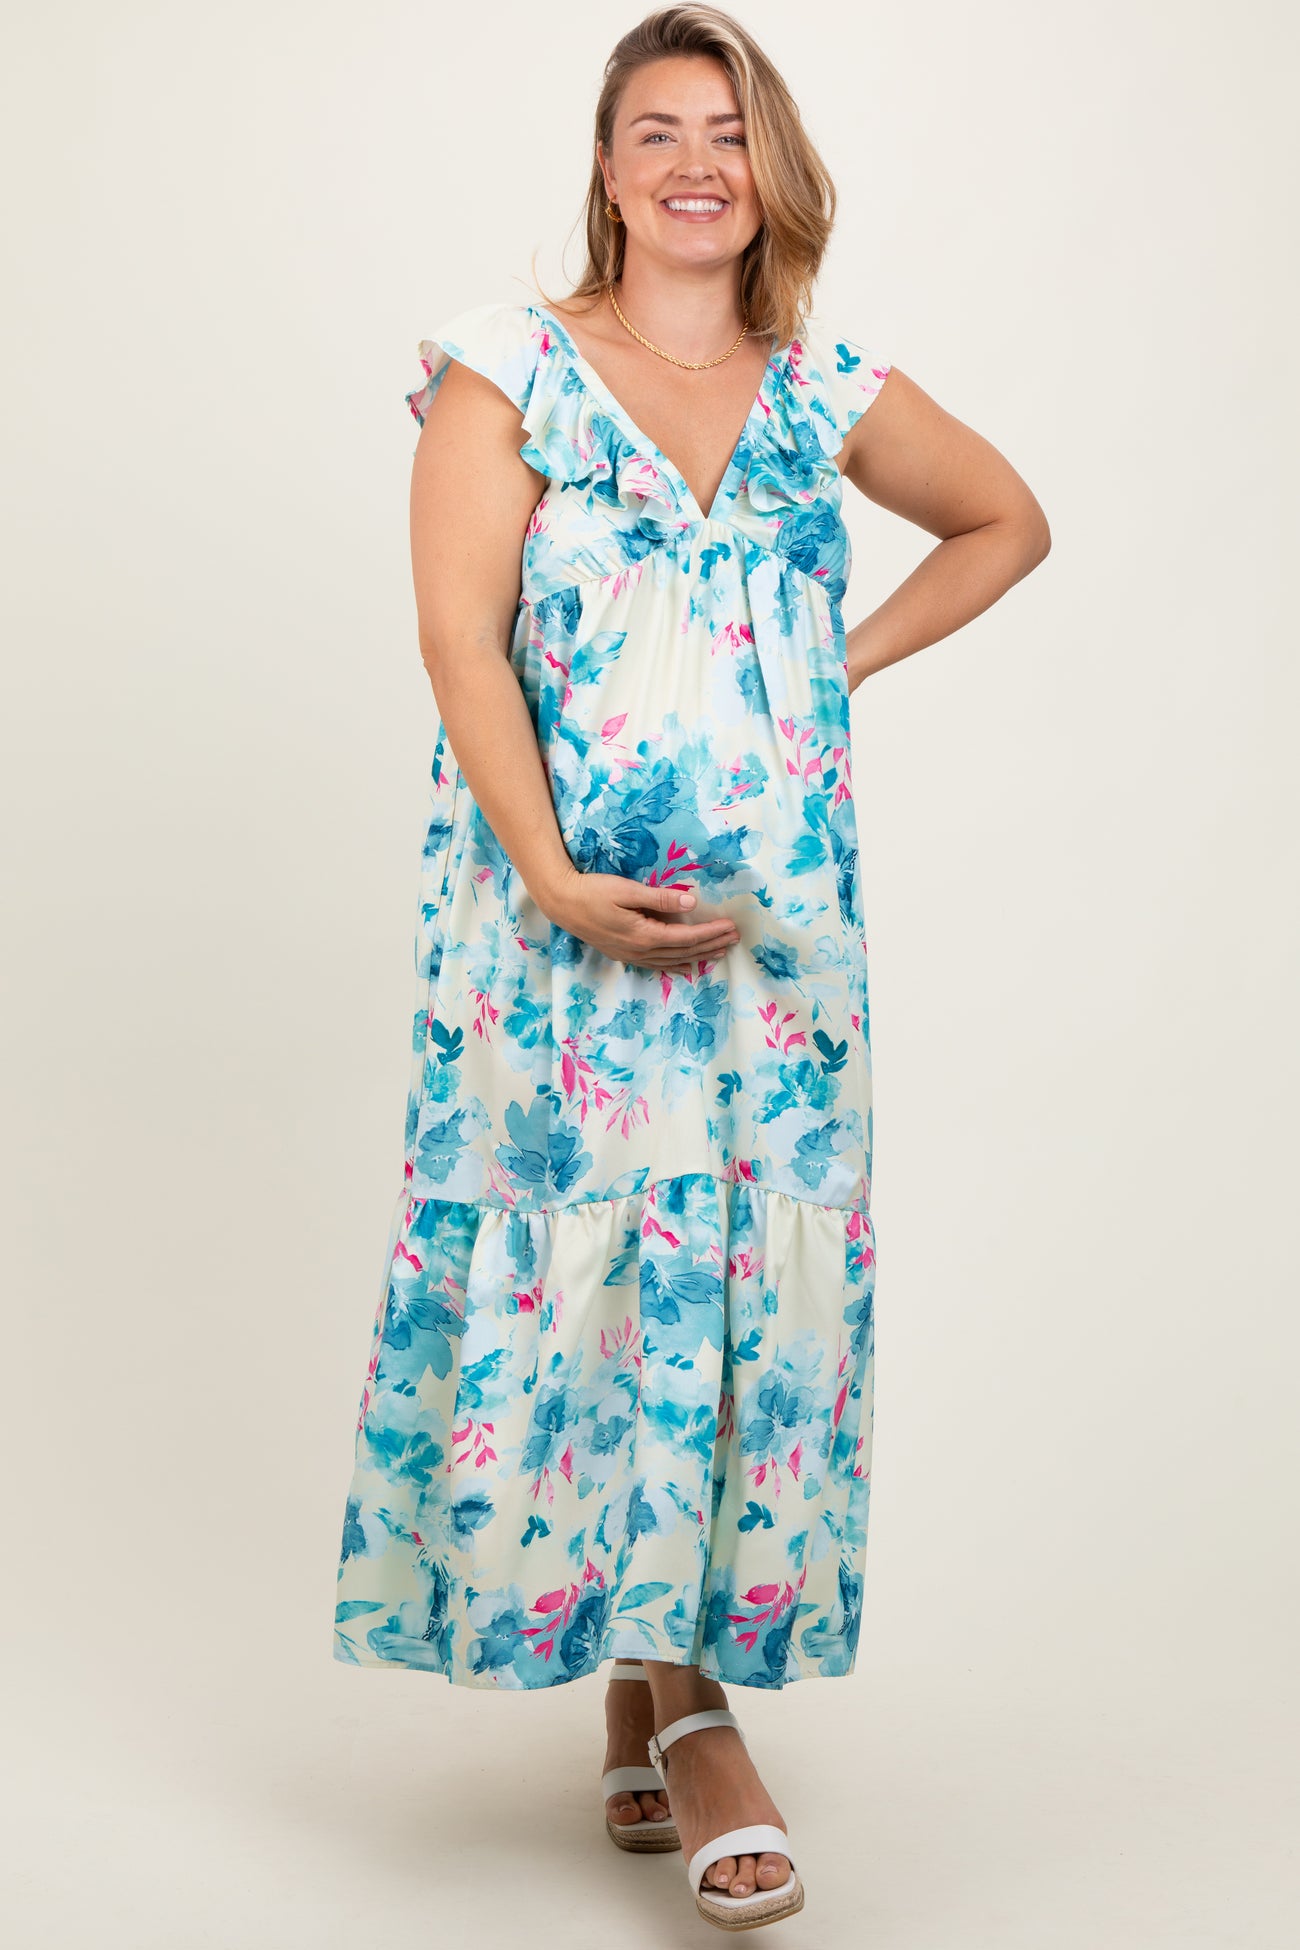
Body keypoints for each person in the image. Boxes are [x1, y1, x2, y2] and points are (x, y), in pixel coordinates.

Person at [333, 3, 1049, 1931]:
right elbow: (459, 642)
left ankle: (656, 1688)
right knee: (605, 1285)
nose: (694, 163)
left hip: (775, 957)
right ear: (606, 166)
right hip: (553, 949)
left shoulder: (824, 392)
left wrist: (826, 676)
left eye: (727, 131)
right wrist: (554, 878)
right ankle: (702, 1720)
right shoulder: (507, 373)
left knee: (737, 1288)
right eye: (656, 130)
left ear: (770, 168)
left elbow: (1009, 520)